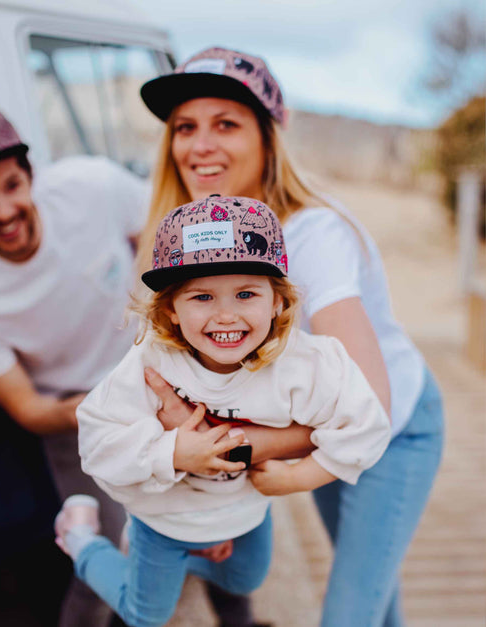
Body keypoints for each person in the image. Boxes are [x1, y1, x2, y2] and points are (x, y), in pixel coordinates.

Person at [136, 47, 445, 627]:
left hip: (393, 427)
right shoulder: (192, 242)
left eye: (225, 123)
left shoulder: (313, 236)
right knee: (375, 603)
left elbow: (368, 406)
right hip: (317, 427)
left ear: (267, 137)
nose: (199, 145)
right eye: (184, 128)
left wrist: (238, 449)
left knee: (349, 614)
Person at [54, 195, 390, 627]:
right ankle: (82, 540)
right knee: (145, 614)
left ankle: (194, 554)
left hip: (242, 507)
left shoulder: (306, 363)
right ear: (171, 308)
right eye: (203, 297)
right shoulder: (151, 364)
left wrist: (296, 478)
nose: (226, 315)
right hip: (163, 516)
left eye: (246, 293)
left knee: (246, 578)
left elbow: (366, 424)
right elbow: (98, 442)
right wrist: (174, 452)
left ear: (277, 302)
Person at [0, 106, 149, 627]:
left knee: (206, 522)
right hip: (75, 418)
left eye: (11, 186)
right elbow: (31, 409)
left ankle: (238, 616)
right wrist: (116, 404)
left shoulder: (92, 185)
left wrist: (162, 333)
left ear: (32, 175)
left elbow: (156, 231)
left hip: (155, 368)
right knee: (103, 557)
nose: (2, 210)